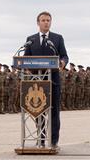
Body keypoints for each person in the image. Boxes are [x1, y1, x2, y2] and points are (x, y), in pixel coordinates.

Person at [24, 11, 69, 150]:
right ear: (38, 23)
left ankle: (54, 141)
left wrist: (62, 62)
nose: (46, 22)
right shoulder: (30, 39)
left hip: (53, 80)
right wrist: (26, 68)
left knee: (54, 111)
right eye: (43, 20)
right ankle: (41, 140)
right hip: (36, 82)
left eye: (48, 20)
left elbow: (65, 56)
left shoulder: (57, 38)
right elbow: (26, 58)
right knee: (38, 110)